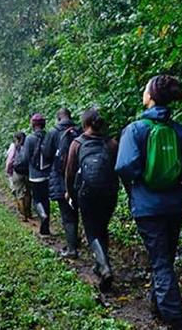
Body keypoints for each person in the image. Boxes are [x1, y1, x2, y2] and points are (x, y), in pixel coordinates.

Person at [115, 75, 182, 329]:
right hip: (174, 205)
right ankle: (158, 307)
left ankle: (175, 320)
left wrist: (144, 178)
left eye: (145, 90)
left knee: (160, 261)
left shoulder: (135, 129)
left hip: (147, 207)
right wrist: (175, 173)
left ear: (151, 97)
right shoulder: (178, 130)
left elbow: (124, 166)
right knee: (165, 258)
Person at [64, 108, 119, 293]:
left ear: (84, 124)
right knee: (102, 228)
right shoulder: (112, 143)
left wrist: (70, 193)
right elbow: (118, 169)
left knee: (92, 231)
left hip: (87, 192)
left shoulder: (77, 143)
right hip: (109, 192)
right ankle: (100, 263)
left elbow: (70, 173)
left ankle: (104, 267)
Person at [43, 108, 82, 258]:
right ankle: (74, 240)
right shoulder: (78, 130)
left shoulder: (53, 132)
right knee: (75, 210)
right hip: (78, 177)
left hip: (60, 178)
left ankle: (72, 249)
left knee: (67, 214)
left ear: (58, 118)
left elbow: (46, 154)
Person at [17, 113, 52, 235]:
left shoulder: (30, 139)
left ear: (33, 125)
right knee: (46, 200)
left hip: (35, 176)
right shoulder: (48, 136)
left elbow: (25, 158)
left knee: (37, 200)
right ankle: (45, 229)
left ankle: (42, 214)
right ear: (43, 124)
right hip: (48, 175)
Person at [5, 131, 31, 220]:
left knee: (19, 194)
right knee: (27, 193)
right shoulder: (28, 146)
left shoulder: (14, 147)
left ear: (16, 139)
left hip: (17, 172)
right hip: (28, 172)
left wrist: (8, 171)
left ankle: (23, 215)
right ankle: (29, 212)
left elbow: (10, 160)